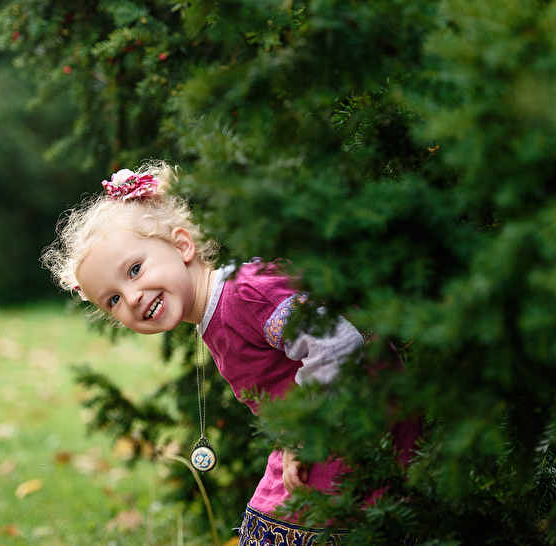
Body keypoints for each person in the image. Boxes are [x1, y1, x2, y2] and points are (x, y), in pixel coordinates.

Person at [41, 160, 419, 545]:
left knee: (281, 527)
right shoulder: (215, 316)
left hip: (354, 425)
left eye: (135, 269)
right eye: (114, 299)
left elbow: (339, 344)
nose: (133, 297)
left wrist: (306, 432)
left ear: (182, 245)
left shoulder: (244, 294)